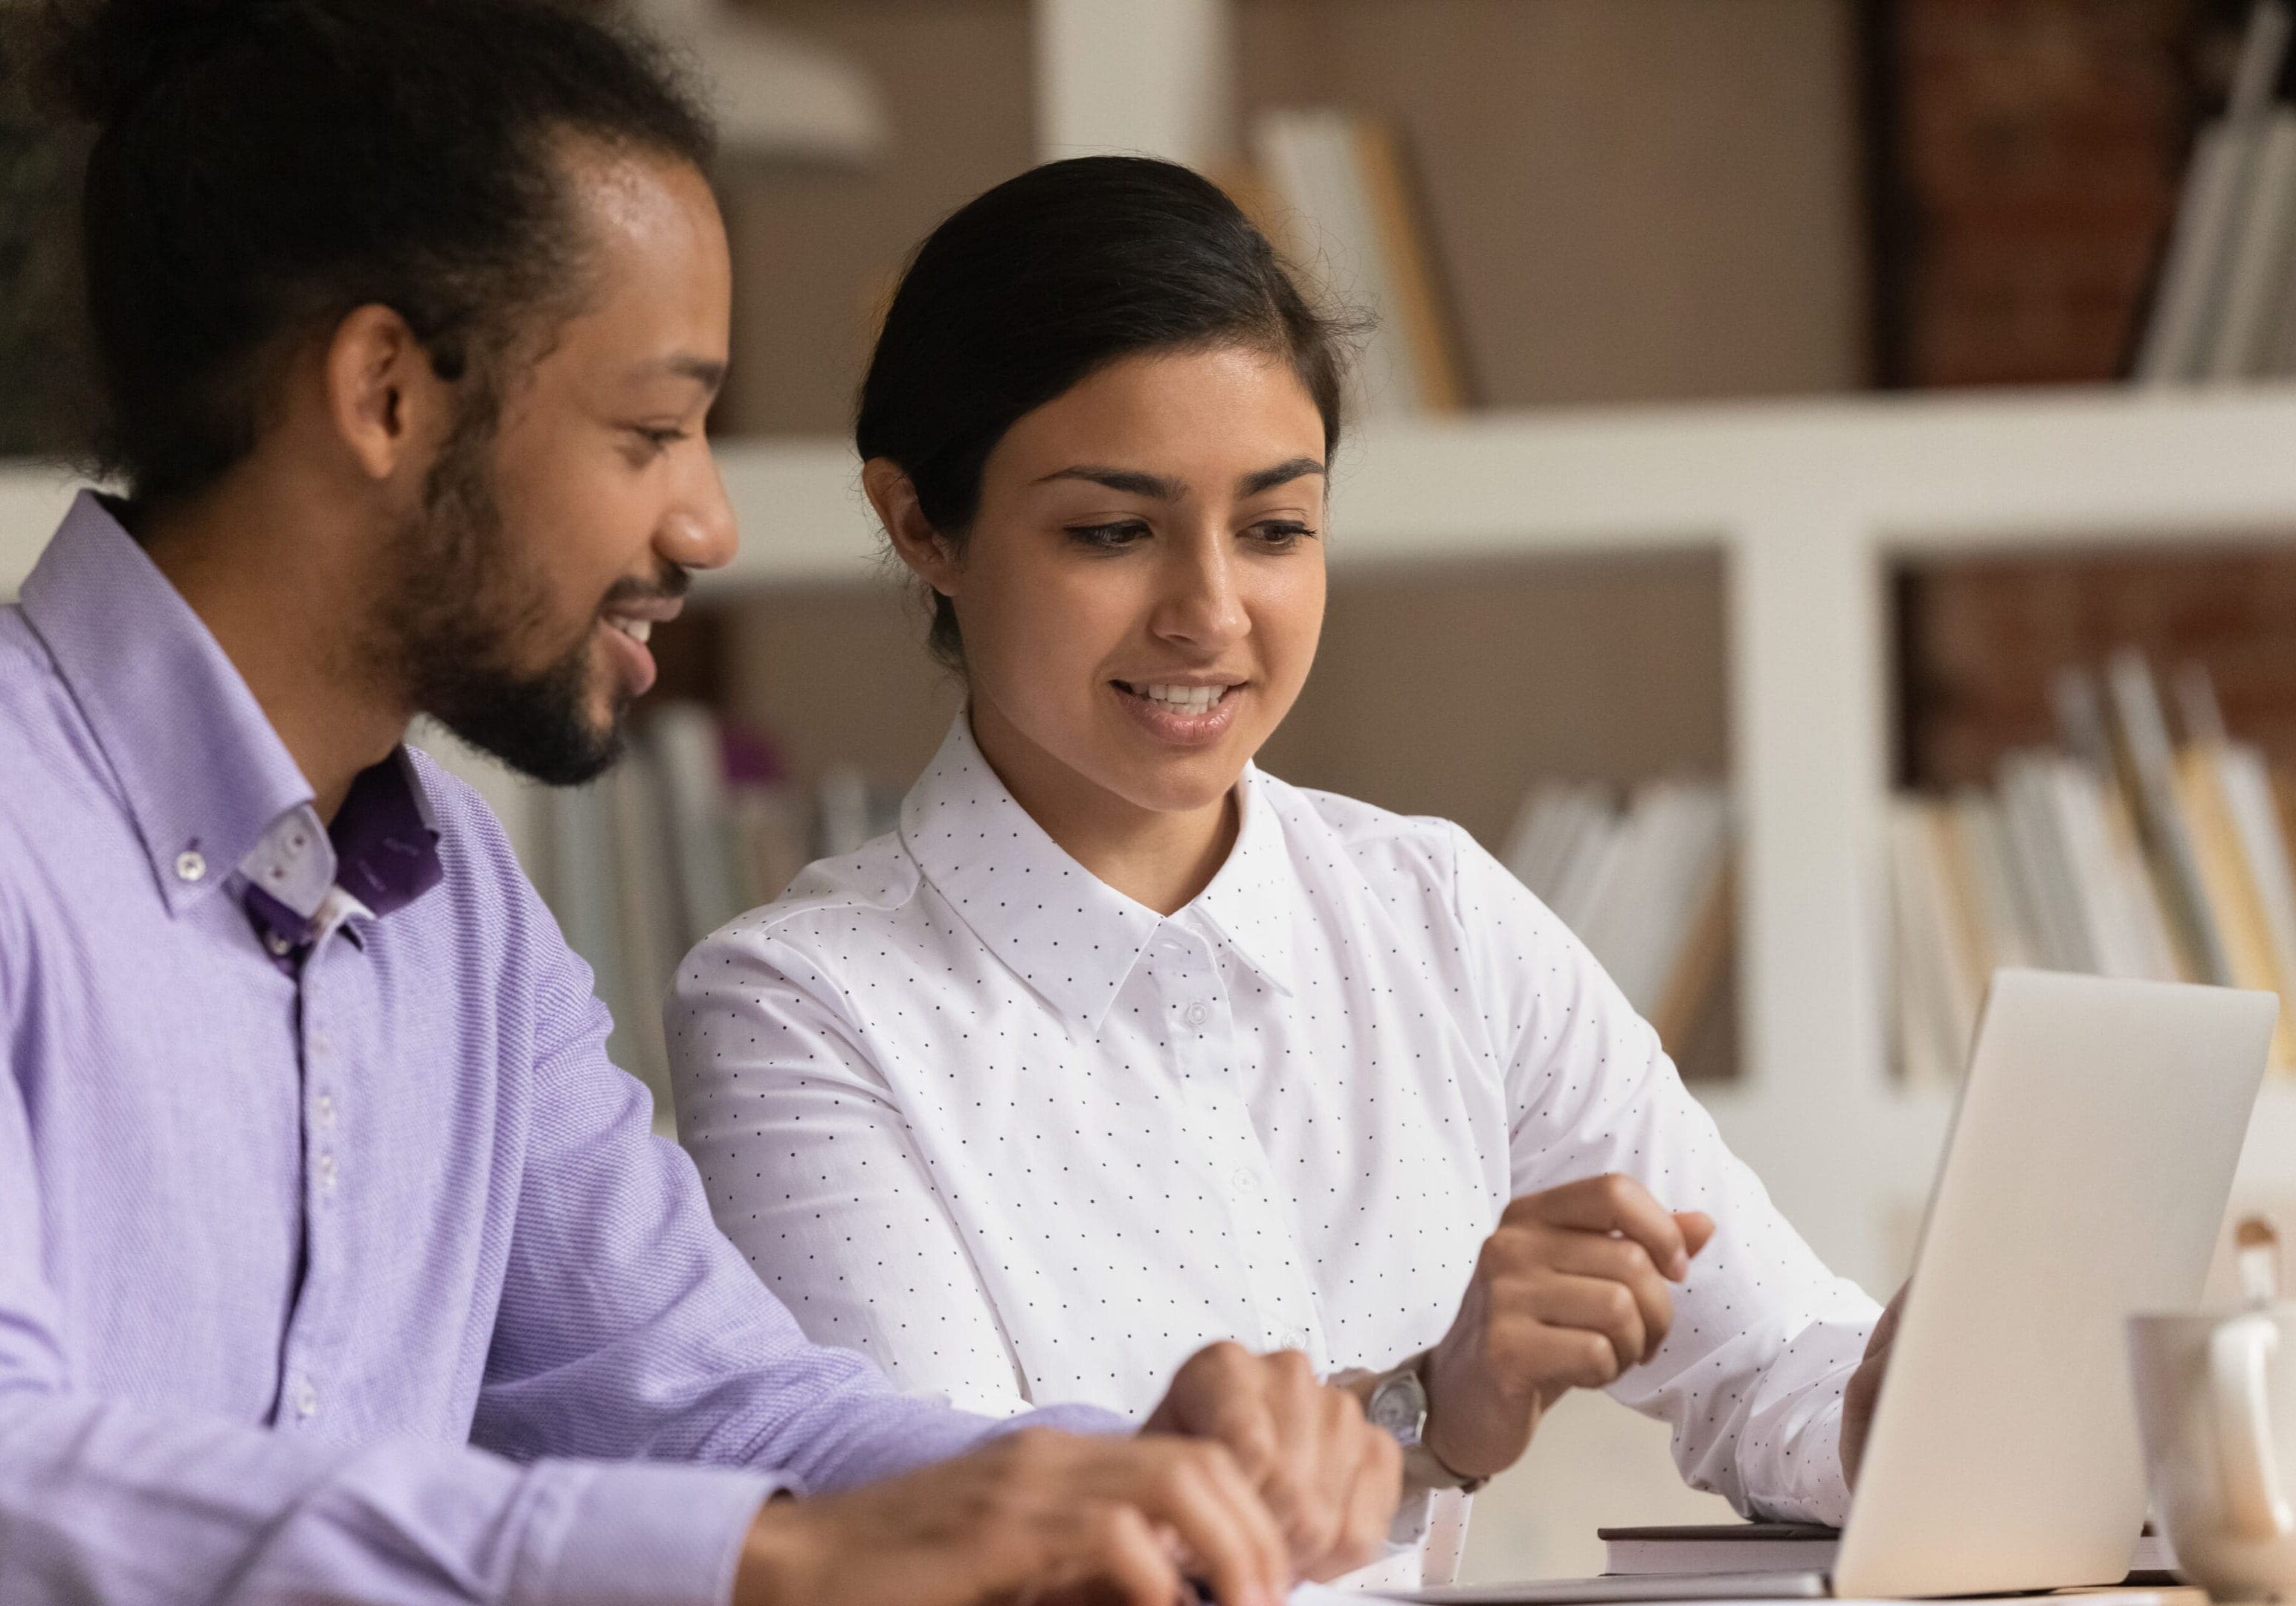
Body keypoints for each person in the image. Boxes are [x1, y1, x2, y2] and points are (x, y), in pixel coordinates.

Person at [0, 5, 1405, 1603]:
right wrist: (765, 1564)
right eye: (653, 431)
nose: (708, 522)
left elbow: (706, 1403)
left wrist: (1118, 1481)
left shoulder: (450, 905)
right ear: (387, 393)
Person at [668, 156, 1900, 1586]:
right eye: (1112, 531)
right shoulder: (800, 1009)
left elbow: (1777, 1366)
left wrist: (1920, 1391)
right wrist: (1421, 1415)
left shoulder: (1436, 915)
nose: (1210, 614)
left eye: (1275, 528)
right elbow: (972, 1562)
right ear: (921, 525)